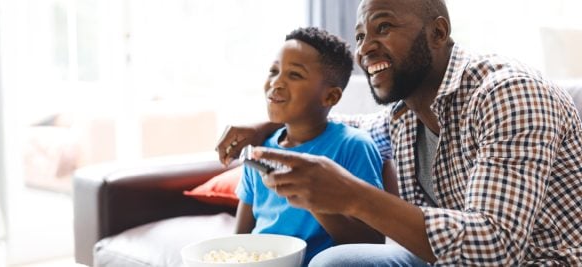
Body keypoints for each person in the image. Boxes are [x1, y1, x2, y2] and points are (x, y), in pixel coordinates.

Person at [216, 0, 582, 265]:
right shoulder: (404, 115)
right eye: (360, 35)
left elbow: (496, 246)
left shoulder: (507, 94)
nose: (365, 48)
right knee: (335, 263)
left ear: (438, 32)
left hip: (538, 260)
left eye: (383, 27)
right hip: (443, 260)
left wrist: (353, 197)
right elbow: (338, 125)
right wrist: (267, 125)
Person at [230, 27, 394, 265]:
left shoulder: (353, 146)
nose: (276, 82)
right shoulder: (259, 149)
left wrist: (313, 200)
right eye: (274, 71)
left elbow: (372, 243)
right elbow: (240, 239)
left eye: (294, 75)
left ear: (330, 97)